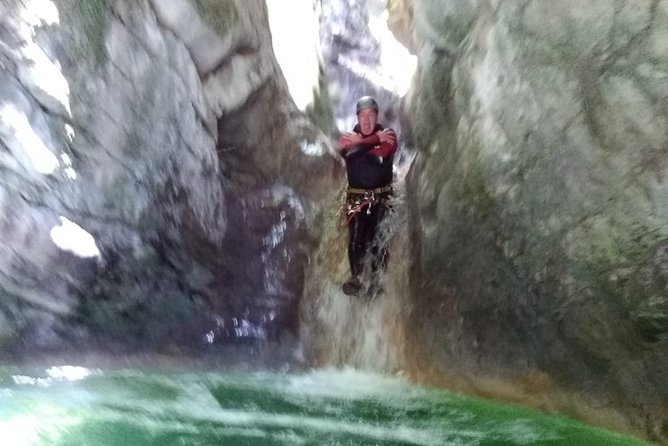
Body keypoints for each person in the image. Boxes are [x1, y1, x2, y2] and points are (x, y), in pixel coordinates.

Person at [338, 96, 398, 296]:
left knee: (379, 232)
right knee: (357, 233)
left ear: (377, 116)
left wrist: (362, 144)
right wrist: (372, 142)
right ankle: (356, 278)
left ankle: (378, 279)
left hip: (382, 197)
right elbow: (348, 149)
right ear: (357, 117)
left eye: (370, 115)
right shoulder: (347, 137)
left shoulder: (388, 134)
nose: (366, 120)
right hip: (356, 198)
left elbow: (384, 148)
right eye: (362, 115)